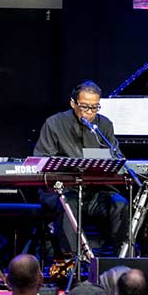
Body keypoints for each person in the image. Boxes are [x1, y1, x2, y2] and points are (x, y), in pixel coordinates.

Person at [34, 81, 127, 256]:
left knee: (120, 203)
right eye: (85, 107)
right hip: (62, 191)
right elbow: (41, 162)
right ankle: (71, 262)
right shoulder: (54, 124)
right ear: (73, 103)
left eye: (94, 107)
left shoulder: (104, 125)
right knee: (69, 204)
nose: (90, 113)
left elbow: (117, 157)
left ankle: (121, 259)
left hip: (95, 192)